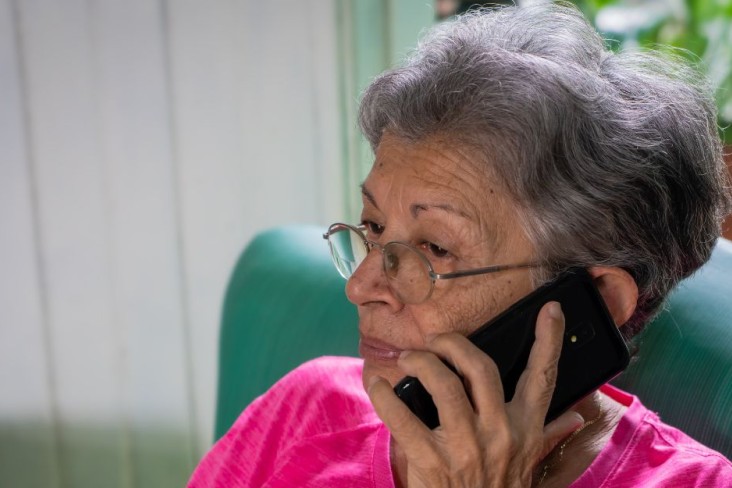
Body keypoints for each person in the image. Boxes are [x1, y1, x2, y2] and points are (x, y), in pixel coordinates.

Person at [189, 3, 732, 487]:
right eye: (374, 228)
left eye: (434, 250)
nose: (361, 286)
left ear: (597, 302)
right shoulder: (306, 409)